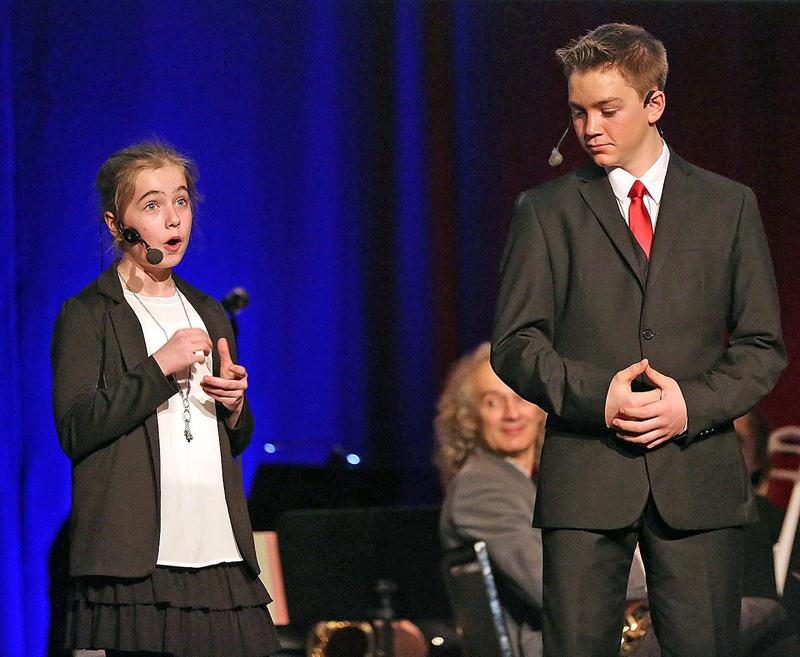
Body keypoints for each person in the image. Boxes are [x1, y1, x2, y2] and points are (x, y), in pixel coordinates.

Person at [490, 23, 786, 657]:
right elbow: (515, 342)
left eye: (607, 109)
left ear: (654, 104)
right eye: (577, 112)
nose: (590, 126)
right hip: (586, 481)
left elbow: (762, 346)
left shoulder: (728, 205)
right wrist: (600, 395)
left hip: (697, 475)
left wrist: (690, 404)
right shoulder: (546, 211)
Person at [51, 141, 281, 657]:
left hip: (217, 552)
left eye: (181, 201)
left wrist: (235, 406)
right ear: (117, 224)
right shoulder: (89, 314)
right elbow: (76, 428)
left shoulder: (209, 311)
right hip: (134, 564)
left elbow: (234, 440)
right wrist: (157, 368)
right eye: (152, 205)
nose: (173, 218)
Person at [436, 343, 647, 657]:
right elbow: (551, 584)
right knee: (733, 617)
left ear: (541, 407)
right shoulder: (480, 487)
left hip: (586, 638)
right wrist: (656, 565)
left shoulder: (532, 480)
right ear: (471, 416)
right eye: (493, 402)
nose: (511, 413)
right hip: (550, 648)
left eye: (522, 398)